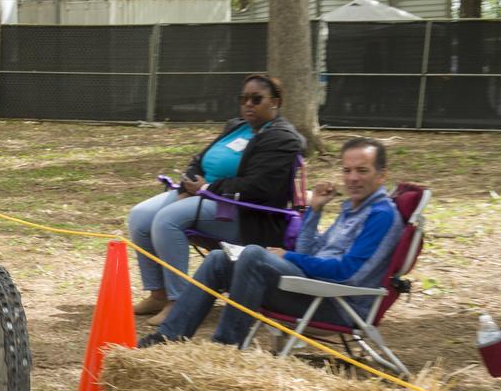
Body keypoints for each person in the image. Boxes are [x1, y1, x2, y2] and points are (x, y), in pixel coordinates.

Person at [137, 137, 402, 349]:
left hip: (337, 305)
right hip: (313, 289)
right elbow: (308, 251)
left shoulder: (381, 215)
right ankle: (168, 337)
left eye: (362, 170)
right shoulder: (352, 208)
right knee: (220, 260)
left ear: (381, 175)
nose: (353, 178)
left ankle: (224, 350)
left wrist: (289, 258)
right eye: (347, 170)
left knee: (253, 256)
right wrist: (315, 212)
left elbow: (348, 274)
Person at [127, 74, 305, 327]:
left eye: (256, 99)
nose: (248, 105)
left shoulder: (282, 138)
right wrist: (189, 181)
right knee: (140, 216)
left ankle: (178, 302)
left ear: (275, 102)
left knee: (167, 219)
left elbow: (257, 188)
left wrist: (207, 188)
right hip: (203, 196)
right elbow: (200, 158)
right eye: (243, 99)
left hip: (245, 213)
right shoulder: (237, 126)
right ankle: (158, 293)